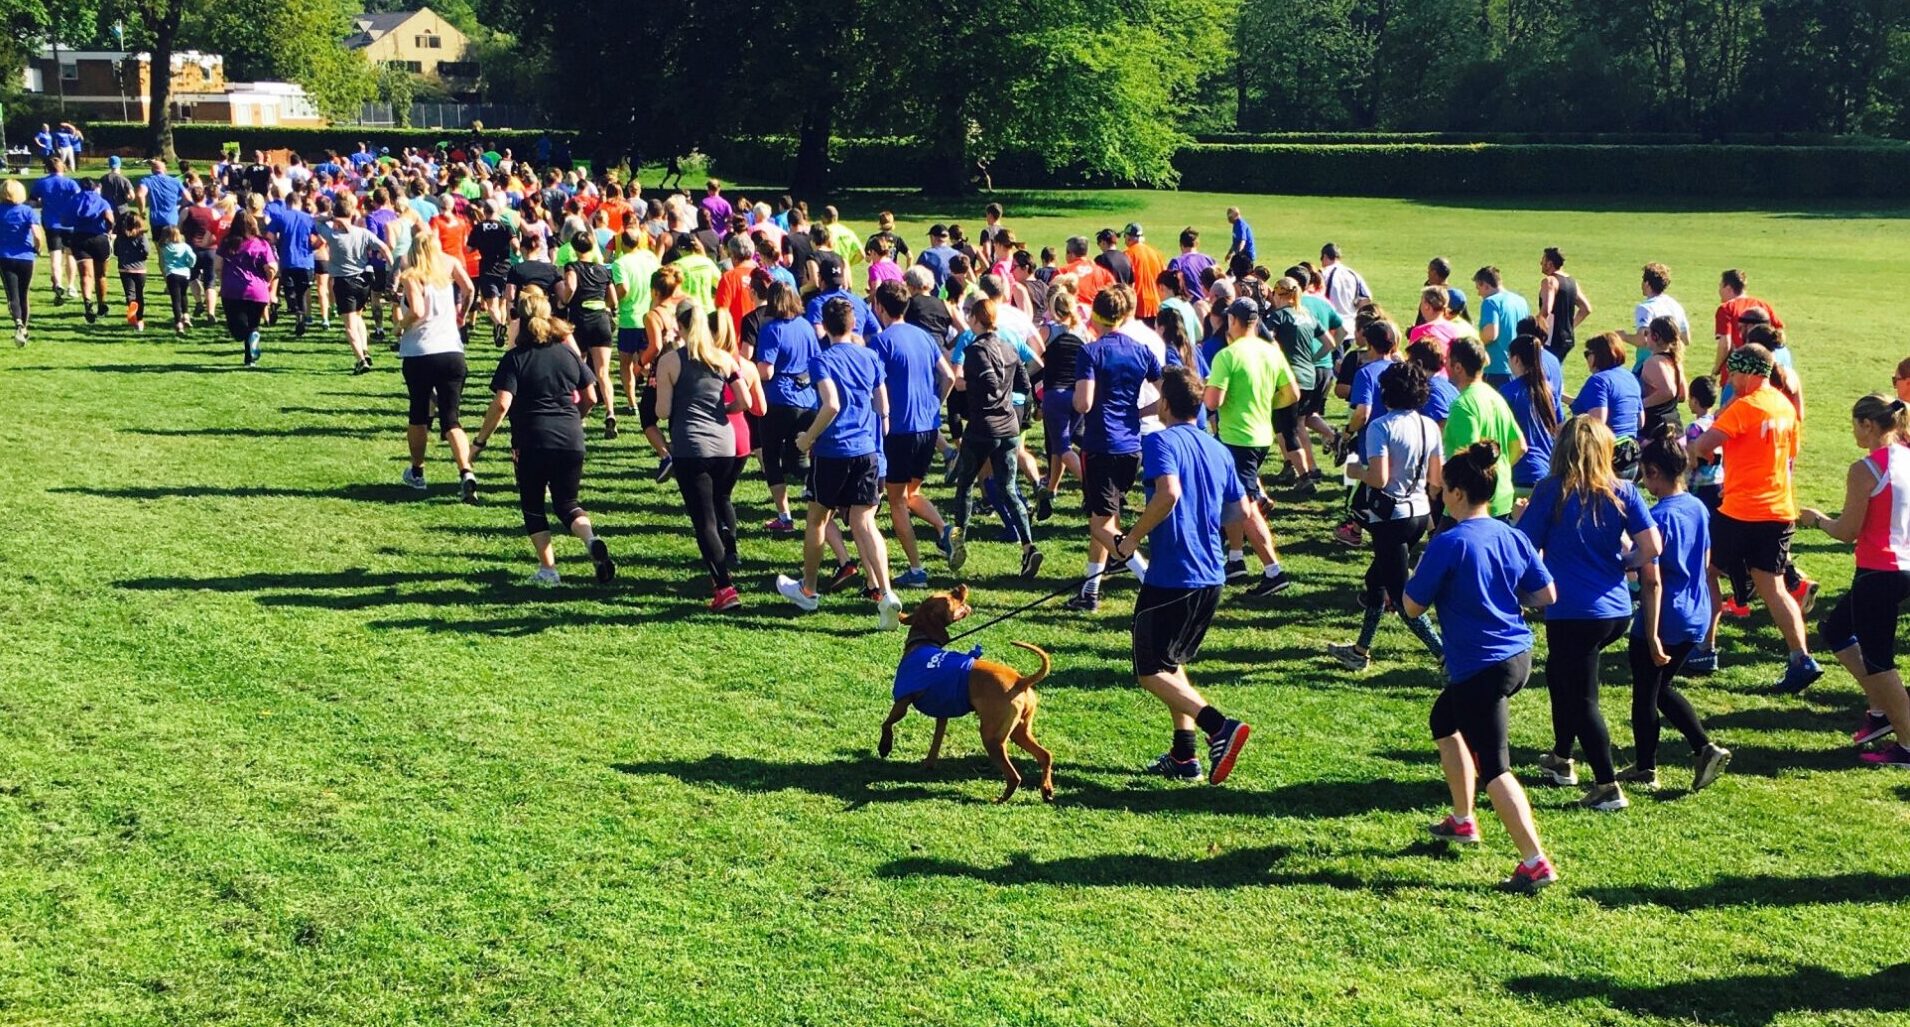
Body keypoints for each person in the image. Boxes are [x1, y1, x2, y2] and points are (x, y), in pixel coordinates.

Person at [1405, 441, 1559, 893]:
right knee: (1443, 718)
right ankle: (1461, 818)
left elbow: (1413, 608)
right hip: (1519, 656)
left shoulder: (1448, 542)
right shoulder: (1512, 535)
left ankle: (1534, 861)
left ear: (1455, 493)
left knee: (1495, 765)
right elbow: (1546, 595)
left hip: (1482, 666)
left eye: (1441, 491)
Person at [1109, 365, 1253, 784]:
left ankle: (1218, 727)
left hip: (1174, 576)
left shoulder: (1159, 442)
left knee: (1149, 670)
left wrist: (1131, 540)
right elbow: (1240, 512)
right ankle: (1184, 755)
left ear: (1166, 404)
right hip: (1211, 575)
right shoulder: (1218, 449)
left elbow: (1168, 493)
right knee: (1172, 663)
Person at [1518, 415, 1664, 812]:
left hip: (1572, 610)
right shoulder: (1624, 491)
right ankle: (1561, 756)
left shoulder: (1551, 491)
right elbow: (1652, 545)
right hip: (1614, 610)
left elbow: (1524, 547)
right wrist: (1626, 560)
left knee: (1581, 697)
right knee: (1563, 679)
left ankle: (1607, 785)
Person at [1689, 344, 1824, 694]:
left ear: (1749, 373)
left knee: (1706, 571)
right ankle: (1801, 657)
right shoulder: (1784, 405)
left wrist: (1704, 453)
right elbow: (1790, 452)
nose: (1730, 381)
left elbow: (1704, 445)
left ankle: (1705, 649)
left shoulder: (1744, 407)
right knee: (1774, 587)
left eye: (1733, 373)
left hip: (1741, 510)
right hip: (1779, 510)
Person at [473, 286, 617, 587]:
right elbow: (590, 396)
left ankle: (549, 569)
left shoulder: (515, 358)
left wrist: (480, 441)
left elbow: (501, 404)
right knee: (568, 502)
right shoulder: (567, 354)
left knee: (534, 505)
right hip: (571, 438)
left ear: (521, 322)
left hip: (531, 440)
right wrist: (575, 420)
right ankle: (591, 540)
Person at [775, 298, 904, 629]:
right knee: (865, 522)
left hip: (833, 451)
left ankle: (808, 589)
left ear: (826, 327)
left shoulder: (822, 360)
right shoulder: (871, 356)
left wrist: (807, 439)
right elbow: (882, 407)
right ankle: (887, 594)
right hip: (867, 451)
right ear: (853, 325)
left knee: (817, 518)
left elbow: (830, 404)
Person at [1799, 395, 1910, 767]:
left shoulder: (1865, 469)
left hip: (1879, 571)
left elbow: (1847, 531)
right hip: (1902, 568)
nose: (1853, 433)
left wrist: (1816, 520)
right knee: (1837, 628)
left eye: (1854, 425)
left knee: (1880, 660)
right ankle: (1880, 712)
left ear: (1868, 424)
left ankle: (1907, 743)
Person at [1625, 425, 1733, 790]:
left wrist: (1652, 634)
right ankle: (1698, 749)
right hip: (1695, 613)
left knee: (1647, 693)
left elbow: (1651, 581)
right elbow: (1704, 561)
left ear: (1654, 472)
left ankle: (1654, 764)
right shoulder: (1697, 508)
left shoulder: (1660, 519)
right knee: (1661, 688)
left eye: (1645, 475)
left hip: (1664, 617)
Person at [1330, 361, 1446, 670]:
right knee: (1375, 580)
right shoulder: (1429, 426)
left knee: (1399, 595)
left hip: (1390, 517)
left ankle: (1446, 654)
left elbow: (1379, 479)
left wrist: (1356, 470)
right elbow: (1436, 479)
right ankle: (1359, 650)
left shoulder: (1381, 427)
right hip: (1419, 514)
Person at [1068, 287, 1164, 613]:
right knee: (1106, 519)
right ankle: (1090, 590)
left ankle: (1149, 578)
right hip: (1131, 445)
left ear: (1095, 315)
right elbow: (1166, 396)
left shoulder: (1090, 352)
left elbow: (1083, 402)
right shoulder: (1141, 350)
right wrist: (1140, 413)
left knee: (1100, 526)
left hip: (1100, 445)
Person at [655, 302, 751, 610]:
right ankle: (720, 569)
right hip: (725, 445)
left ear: (680, 328)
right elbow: (745, 399)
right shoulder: (724, 358)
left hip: (691, 447)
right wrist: (724, 411)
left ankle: (725, 588)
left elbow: (663, 410)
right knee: (717, 507)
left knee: (704, 520)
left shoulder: (671, 361)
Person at [1204, 296, 1298, 599]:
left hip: (1236, 438)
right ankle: (1235, 559)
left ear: (1233, 321)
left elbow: (1212, 402)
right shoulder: (1272, 352)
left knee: (1245, 507)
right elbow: (1292, 393)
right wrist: (1267, 404)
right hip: (1261, 435)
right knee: (1233, 497)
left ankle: (1273, 570)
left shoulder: (1227, 356)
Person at [944, 297, 1043, 579]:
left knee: (964, 484)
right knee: (1008, 488)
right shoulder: (1009, 346)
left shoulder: (976, 349)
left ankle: (958, 541)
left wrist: (966, 386)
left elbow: (988, 381)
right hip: (1010, 426)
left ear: (976, 320)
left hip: (982, 427)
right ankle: (1028, 546)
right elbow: (1024, 383)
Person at [869, 281, 953, 588]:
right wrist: (934, 404)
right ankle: (945, 529)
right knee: (911, 493)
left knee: (896, 502)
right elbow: (950, 375)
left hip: (899, 430)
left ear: (879, 307)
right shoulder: (925, 337)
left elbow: (873, 387)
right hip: (928, 428)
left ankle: (916, 570)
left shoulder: (881, 342)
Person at [394, 232, 479, 502]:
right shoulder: (450, 265)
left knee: (418, 413)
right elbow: (469, 288)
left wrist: (400, 325)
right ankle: (466, 471)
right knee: (451, 418)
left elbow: (417, 310)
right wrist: (462, 314)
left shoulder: (411, 275)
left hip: (420, 351)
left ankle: (417, 472)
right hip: (451, 351)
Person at [754, 281, 822, 532]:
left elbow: (767, 370)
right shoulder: (805, 326)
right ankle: (815, 490)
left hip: (778, 400)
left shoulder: (771, 329)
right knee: (800, 454)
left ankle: (784, 517)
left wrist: (751, 370)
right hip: (807, 400)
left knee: (771, 457)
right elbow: (816, 360)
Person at [1442, 338, 1525, 519]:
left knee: (1443, 546)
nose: (1444, 363)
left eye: (1447, 359)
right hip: (1501, 495)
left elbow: (1467, 460)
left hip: (1470, 504)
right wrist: (1498, 468)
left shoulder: (1463, 406)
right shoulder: (1495, 396)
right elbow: (1520, 445)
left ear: (1458, 367)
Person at [316, 193, 393, 374]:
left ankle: (360, 360)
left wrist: (331, 217)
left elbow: (317, 221)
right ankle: (365, 351)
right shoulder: (363, 233)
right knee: (358, 317)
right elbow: (384, 247)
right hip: (363, 281)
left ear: (336, 216)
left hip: (344, 282)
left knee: (349, 325)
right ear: (352, 214)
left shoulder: (333, 236)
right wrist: (390, 268)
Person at [559, 231, 618, 439]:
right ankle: (610, 412)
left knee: (579, 368)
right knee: (603, 373)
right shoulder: (603, 270)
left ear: (574, 248)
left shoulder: (572, 267)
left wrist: (563, 300)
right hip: (601, 320)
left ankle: (580, 414)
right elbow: (614, 300)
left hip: (580, 320)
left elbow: (571, 287)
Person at [1034, 289, 1087, 517]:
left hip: (1054, 394)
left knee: (1064, 448)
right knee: (1059, 444)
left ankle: (1093, 486)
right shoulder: (1083, 332)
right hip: (1076, 395)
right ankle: (1051, 489)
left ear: (1054, 308)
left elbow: (1033, 359)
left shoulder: (1047, 331)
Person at [1572, 332, 1644, 478]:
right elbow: (1640, 421)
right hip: (1630, 457)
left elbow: (1598, 421)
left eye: (1588, 354)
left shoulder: (1598, 381)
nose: (1586, 358)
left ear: (1598, 355)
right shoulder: (1630, 378)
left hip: (1606, 458)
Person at [610, 227, 662, 425]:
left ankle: (632, 403)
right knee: (648, 362)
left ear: (622, 243)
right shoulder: (650, 258)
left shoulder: (620, 263)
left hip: (629, 319)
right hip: (650, 315)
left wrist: (613, 301)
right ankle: (655, 396)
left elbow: (623, 288)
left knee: (626, 364)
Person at [1502, 334, 1563, 496]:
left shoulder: (1509, 392)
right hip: (1547, 471)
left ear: (1516, 360)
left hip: (1520, 473)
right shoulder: (1549, 391)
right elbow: (1559, 427)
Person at [215, 211, 277, 366]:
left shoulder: (227, 242)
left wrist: (221, 278)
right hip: (258, 291)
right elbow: (272, 267)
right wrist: (267, 281)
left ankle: (248, 337)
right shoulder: (262, 244)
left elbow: (217, 265)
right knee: (253, 324)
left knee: (237, 329)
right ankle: (250, 359)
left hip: (232, 289)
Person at [1712, 268, 1783, 376]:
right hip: (1764, 369)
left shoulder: (1726, 308)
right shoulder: (1763, 305)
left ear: (1728, 288)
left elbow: (1725, 344)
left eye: (1720, 286)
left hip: (1736, 373)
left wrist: (1716, 369)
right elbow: (1779, 332)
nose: (1719, 291)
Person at [29, 158, 79, 305]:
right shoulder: (71, 183)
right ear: (62, 167)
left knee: (55, 257)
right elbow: (78, 200)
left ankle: (58, 284)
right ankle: (71, 285)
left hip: (51, 223)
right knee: (70, 255)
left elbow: (32, 202)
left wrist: (43, 202)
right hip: (69, 224)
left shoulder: (41, 183)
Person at [0, 179, 43, 346]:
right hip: (25, 257)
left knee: (12, 295)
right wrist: (37, 248)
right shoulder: (28, 211)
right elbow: (37, 234)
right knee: (24, 294)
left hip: (5, 256)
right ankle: (24, 327)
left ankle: (18, 322)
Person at [1473, 266, 1531, 389]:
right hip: (1518, 366)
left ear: (1486, 286)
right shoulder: (1521, 301)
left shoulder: (1490, 302)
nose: (1479, 293)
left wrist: (1474, 342)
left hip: (1496, 368)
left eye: (1479, 288)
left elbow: (1491, 334)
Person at [67, 176, 114, 323]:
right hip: (99, 238)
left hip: (80, 238)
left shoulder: (74, 199)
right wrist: (109, 230)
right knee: (101, 274)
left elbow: (64, 219)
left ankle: (88, 303)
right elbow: (110, 218)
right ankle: (102, 304)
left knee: (85, 275)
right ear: (95, 187)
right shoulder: (101, 201)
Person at [1535, 247, 1591, 360]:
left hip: (1550, 338)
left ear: (1549, 264)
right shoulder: (1571, 282)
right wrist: (1570, 326)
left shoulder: (1550, 281)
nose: (1541, 263)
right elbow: (1586, 308)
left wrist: (1535, 330)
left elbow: (1546, 310)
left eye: (1543, 260)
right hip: (1567, 338)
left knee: (1544, 372)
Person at [1638, 316, 1688, 438]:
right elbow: (1682, 395)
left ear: (1655, 337)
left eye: (1647, 333)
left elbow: (1669, 391)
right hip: (1675, 425)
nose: (1645, 337)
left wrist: (1641, 404)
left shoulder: (1653, 362)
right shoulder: (1675, 361)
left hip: (1655, 428)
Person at [1625, 262, 1689, 354]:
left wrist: (1623, 336)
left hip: (1649, 364)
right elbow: (1686, 339)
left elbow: (1642, 340)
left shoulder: (1645, 308)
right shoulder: (1676, 305)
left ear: (1647, 284)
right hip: (1672, 364)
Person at [113, 210, 150, 331]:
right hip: (140, 269)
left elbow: (116, 251)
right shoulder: (141, 235)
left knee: (130, 294)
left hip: (125, 269)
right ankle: (140, 320)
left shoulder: (120, 237)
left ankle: (132, 311)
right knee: (140, 295)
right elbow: (146, 250)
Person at [1122, 223, 1166, 323]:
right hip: (1156, 304)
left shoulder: (1128, 254)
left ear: (1129, 238)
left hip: (1138, 306)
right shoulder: (1156, 253)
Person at [159, 225, 195, 334]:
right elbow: (193, 257)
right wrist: (190, 265)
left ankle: (178, 323)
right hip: (184, 274)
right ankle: (186, 315)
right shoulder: (185, 246)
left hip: (172, 274)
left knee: (175, 299)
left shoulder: (165, 247)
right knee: (184, 295)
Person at [1166, 228, 1215, 303]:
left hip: (1188, 308)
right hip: (1209, 306)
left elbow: (1169, 288)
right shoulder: (1209, 260)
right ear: (1197, 244)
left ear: (1181, 245)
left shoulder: (1177, 262)